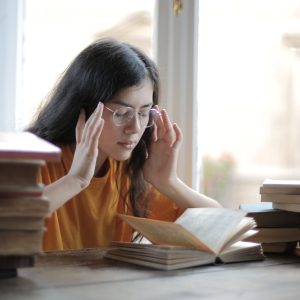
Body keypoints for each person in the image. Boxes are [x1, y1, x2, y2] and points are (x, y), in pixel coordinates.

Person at [27, 38, 221, 251]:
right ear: (84, 109)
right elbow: (10, 218)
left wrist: (167, 181)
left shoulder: (127, 170)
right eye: (122, 113)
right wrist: (76, 180)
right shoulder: (32, 160)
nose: (135, 128)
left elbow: (219, 228)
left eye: (144, 113)